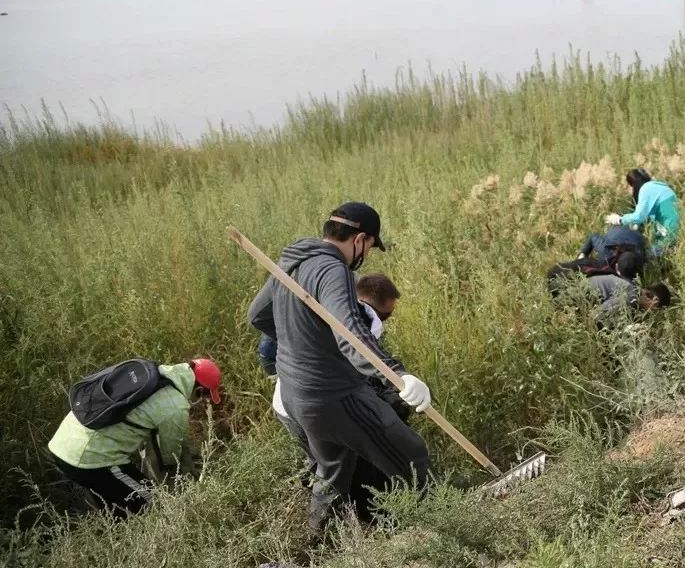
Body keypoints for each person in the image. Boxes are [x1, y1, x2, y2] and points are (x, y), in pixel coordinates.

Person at [247, 202, 433, 530]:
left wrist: (305, 341)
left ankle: (317, 546)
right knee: (411, 454)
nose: (365, 256)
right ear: (360, 239)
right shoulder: (334, 270)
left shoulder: (293, 260)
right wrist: (400, 375)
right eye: (370, 248)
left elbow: (259, 316)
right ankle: (443, 526)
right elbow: (352, 334)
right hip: (333, 395)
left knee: (334, 473)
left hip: (294, 394)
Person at [266, 273, 407, 486]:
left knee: (326, 464)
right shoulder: (364, 322)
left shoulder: (320, 307)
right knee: (337, 475)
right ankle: (331, 509)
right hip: (314, 406)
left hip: (288, 403)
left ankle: (315, 483)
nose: (382, 322)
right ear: (366, 304)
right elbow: (358, 374)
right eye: (384, 316)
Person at [47, 358, 222, 518]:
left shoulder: (152, 373)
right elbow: (169, 457)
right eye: (204, 397)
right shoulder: (175, 405)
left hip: (62, 443)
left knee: (116, 512)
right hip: (92, 459)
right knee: (151, 507)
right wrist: (189, 471)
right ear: (199, 390)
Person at [606, 169, 681, 255]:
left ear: (632, 185)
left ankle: (670, 250)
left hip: (671, 232)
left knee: (645, 255)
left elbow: (639, 217)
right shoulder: (657, 185)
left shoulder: (645, 189)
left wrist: (619, 220)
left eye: (628, 187)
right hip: (677, 228)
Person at [590, 275, 673, 325]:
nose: (650, 313)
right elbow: (596, 315)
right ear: (655, 302)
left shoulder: (633, 292)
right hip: (583, 293)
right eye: (654, 310)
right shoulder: (631, 296)